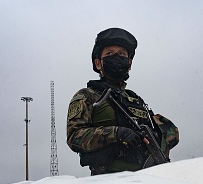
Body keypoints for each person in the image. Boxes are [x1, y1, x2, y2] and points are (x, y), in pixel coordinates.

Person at [67, 27, 179, 175]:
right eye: (109, 54)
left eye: (122, 54)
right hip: (107, 182)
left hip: (147, 179)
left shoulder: (136, 100)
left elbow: (163, 134)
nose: (116, 57)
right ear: (98, 63)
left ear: (129, 63)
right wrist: (116, 133)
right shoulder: (88, 95)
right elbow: (74, 136)